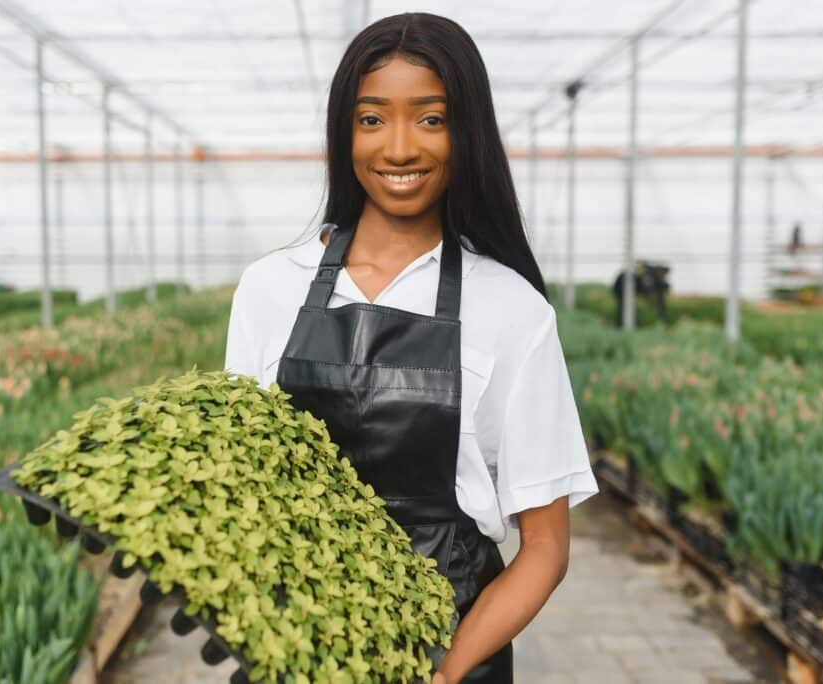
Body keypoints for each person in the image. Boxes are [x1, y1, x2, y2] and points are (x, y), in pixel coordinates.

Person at [224, 12, 598, 683]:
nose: (399, 148)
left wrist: (444, 671)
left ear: (468, 132)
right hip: (296, 651)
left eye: (430, 118)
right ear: (346, 132)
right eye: (372, 119)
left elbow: (544, 550)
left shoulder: (512, 311)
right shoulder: (268, 289)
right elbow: (239, 491)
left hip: (451, 650)